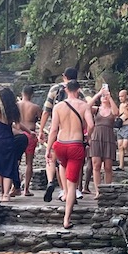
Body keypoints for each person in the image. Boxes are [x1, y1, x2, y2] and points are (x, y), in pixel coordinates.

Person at [49, 78, 93, 227]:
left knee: (62, 164)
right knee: (73, 182)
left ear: (66, 90)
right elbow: (91, 124)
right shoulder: (84, 105)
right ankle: (66, 219)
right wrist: (88, 135)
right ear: (79, 90)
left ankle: (65, 192)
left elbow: (53, 129)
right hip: (75, 145)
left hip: (60, 145)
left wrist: (48, 149)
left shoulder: (58, 107)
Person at [38, 67, 77, 201]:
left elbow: (46, 110)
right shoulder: (79, 91)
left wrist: (41, 129)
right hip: (71, 133)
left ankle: (50, 181)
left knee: (50, 157)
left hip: (54, 129)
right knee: (65, 162)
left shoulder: (55, 89)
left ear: (63, 76)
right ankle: (68, 191)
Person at [0, 86, 23, 199]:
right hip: (9, 140)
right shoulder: (14, 108)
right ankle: (6, 194)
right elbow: (18, 126)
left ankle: (0, 193)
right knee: (8, 168)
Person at [87, 81, 119, 193]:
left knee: (108, 166)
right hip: (97, 137)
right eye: (103, 96)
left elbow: (116, 113)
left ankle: (108, 190)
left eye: (106, 95)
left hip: (108, 138)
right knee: (96, 164)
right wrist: (99, 93)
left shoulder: (111, 109)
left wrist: (109, 97)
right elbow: (87, 106)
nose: (104, 97)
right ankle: (97, 191)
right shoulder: (96, 109)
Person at [17, 85, 42, 195]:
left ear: (22, 93)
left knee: (16, 162)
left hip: (17, 134)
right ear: (32, 95)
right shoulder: (35, 107)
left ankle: (15, 186)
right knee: (29, 163)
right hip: (30, 134)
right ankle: (26, 189)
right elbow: (42, 119)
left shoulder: (15, 106)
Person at [116, 89, 128, 168]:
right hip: (121, 126)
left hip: (127, 126)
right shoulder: (120, 105)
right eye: (119, 96)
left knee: (125, 145)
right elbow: (119, 114)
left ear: (126, 96)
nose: (120, 98)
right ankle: (121, 165)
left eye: (122, 96)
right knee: (120, 146)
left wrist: (124, 109)